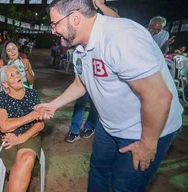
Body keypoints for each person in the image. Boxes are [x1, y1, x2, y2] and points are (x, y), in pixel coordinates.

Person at [36, 0, 183, 191]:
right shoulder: (80, 46)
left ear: (75, 18)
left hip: (142, 129)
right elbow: (81, 83)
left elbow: (159, 96)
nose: (53, 30)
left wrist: (147, 144)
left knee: (123, 186)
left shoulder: (120, 38)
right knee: (98, 172)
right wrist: (53, 105)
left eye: (55, 23)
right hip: (109, 126)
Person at [65, 0, 119, 143]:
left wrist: (100, 5)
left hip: (104, 82)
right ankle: (74, 130)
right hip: (86, 78)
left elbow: (117, 22)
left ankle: (90, 126)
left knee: (96, 104)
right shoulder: (86, 41)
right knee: (80, 103)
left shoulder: (116, 38)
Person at [0, 64, 45, 192]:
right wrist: (31, 116)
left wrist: (22, 138)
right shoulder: (1, 98)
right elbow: (4, 126)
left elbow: (41, 124)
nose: (17, 76)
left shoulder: (32, 94)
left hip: (29, 134)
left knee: (27, 158)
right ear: (5, 84)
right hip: (4, 137)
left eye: (17, 72)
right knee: (22, 163)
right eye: (12, 75)